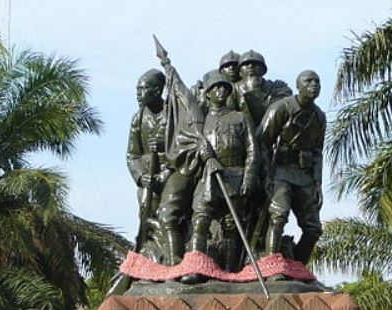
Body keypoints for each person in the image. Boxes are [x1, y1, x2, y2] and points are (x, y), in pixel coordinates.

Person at [182, 70, 258, 279]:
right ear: (207, 93)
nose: (221, 90)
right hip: (208, 178)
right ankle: (196, 268)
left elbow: (252, 151)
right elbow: (188, 150)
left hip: (235, 176)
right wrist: (202, 154)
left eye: (224, 87)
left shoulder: (240, 118)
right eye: (215, 87)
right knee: (200, 220)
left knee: (231, 226)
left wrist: (249, 177)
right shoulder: (200, 122)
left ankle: (229, 272)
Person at [257, 70, 326, 262]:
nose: (314, 85)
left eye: (317, 81)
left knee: (313, 229)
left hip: (304, 175)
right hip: (279, 171)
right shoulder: (281, 108)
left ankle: (298, 266)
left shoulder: (319, 117)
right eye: (309, 81)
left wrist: (317, 183)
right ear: (299, 86)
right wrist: (265, 175)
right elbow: (262, 142)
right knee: (279, 216)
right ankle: (271, 264)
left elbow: (317, 152)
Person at [126, 69, 193, 264]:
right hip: (149, 176)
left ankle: (176, 263)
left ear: (157, 91)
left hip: (176, 172)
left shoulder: (175, 114)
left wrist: (168, 160)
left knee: (167, 215)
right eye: (137, 89)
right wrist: (140, 177)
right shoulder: (137, 118)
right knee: (146, 215)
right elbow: (132, 155)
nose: (138, 93)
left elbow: (187, 146)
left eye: (143, 88)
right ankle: (154, 257)